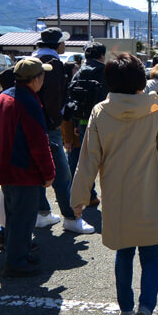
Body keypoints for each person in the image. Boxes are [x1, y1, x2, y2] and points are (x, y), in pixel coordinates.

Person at [70, 53, 158, 315]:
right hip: (150, 191)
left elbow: (88, 159)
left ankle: (126, 312)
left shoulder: (100, 112)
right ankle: (146, 307)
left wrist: (79, 197)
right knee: (151, 253)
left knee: (124, 253)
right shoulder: (155, 109)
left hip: (116, 195)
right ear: (141, 79)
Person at [0, 57, 56, 277]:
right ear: (35, 79)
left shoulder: (4, 97)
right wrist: (49, 172)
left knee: (13, 215)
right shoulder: (28, 102)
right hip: (23, 169)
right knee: (23, 218)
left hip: (6, 167)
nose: (44, 79)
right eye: (42, 75)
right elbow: (38, 143)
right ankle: (16, 261)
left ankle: (16, 253)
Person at [32, 27, 94, 234]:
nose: (64, 45)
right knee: (62, 173)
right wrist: (58, 120)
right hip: (50, 125)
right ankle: (71, 217)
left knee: (37, 170)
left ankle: (42, 213)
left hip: (30, 123)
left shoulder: (32, 60)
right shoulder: (54, 64)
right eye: (63, 42)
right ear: (57, 44)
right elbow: (52, 97)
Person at [63, 41, 108, 207]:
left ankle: (85, 195)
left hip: (82, 121)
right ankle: (112, 196)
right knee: (107, 160)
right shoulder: (105, 72)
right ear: (102, 55)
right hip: (104, 121)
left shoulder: (79, 73)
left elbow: (73, 99)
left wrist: (75, 124)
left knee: (84, 160)